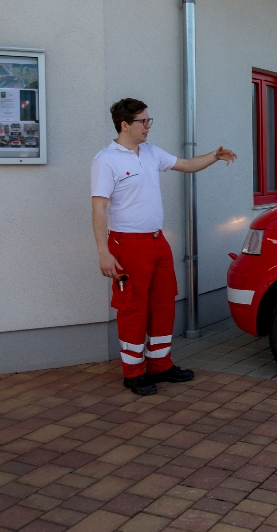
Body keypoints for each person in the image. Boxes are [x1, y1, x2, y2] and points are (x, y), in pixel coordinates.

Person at [91, 98, 237, 396]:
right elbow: (99, 208)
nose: (148, 126)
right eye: (143, 121)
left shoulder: (150, 152)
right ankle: (133, 372)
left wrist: (214, 155)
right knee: (133, 307)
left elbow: (186, 165)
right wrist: (103, 252)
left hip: (158, 242)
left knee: (162, 304)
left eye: (149, 120)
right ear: (124, 125)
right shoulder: (106, 160)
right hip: (127, 245)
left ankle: (160, 365)